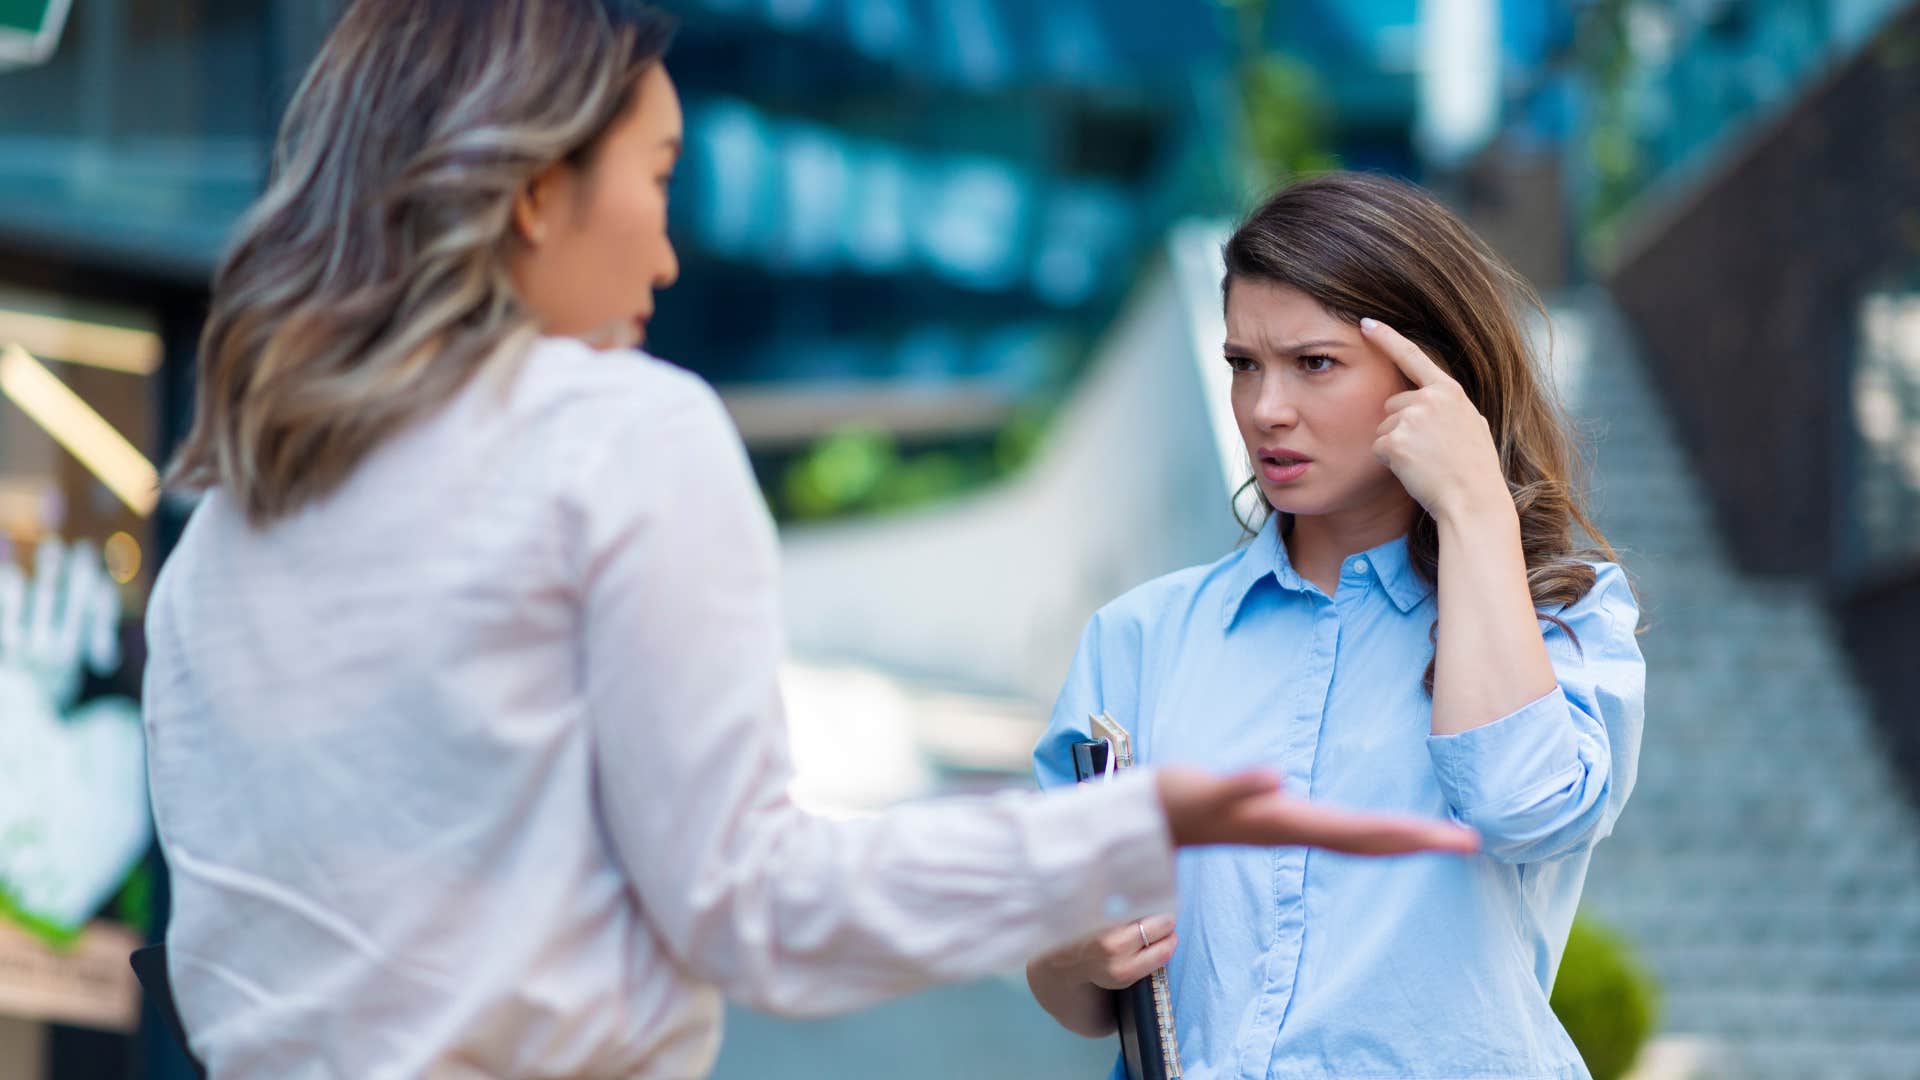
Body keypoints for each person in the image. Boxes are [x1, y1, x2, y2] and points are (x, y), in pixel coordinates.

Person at [139, 5, 1477, 1078]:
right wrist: (1121, 832)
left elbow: (226, 962)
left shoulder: (221, 542)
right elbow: (757, 908)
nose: (667, 256)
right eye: (658, 179)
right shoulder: (621, 438)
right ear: (534, 192)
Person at [1026, 172, 1646, 1080]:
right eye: (1243, 364)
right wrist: (1080, 956)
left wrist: (1475, 505)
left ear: (1432, 381)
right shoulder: (1138, 640)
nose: (1265, 408)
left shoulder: (1566, 615)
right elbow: (1064, 972)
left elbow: (1522, 806)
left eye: (1314, 364)